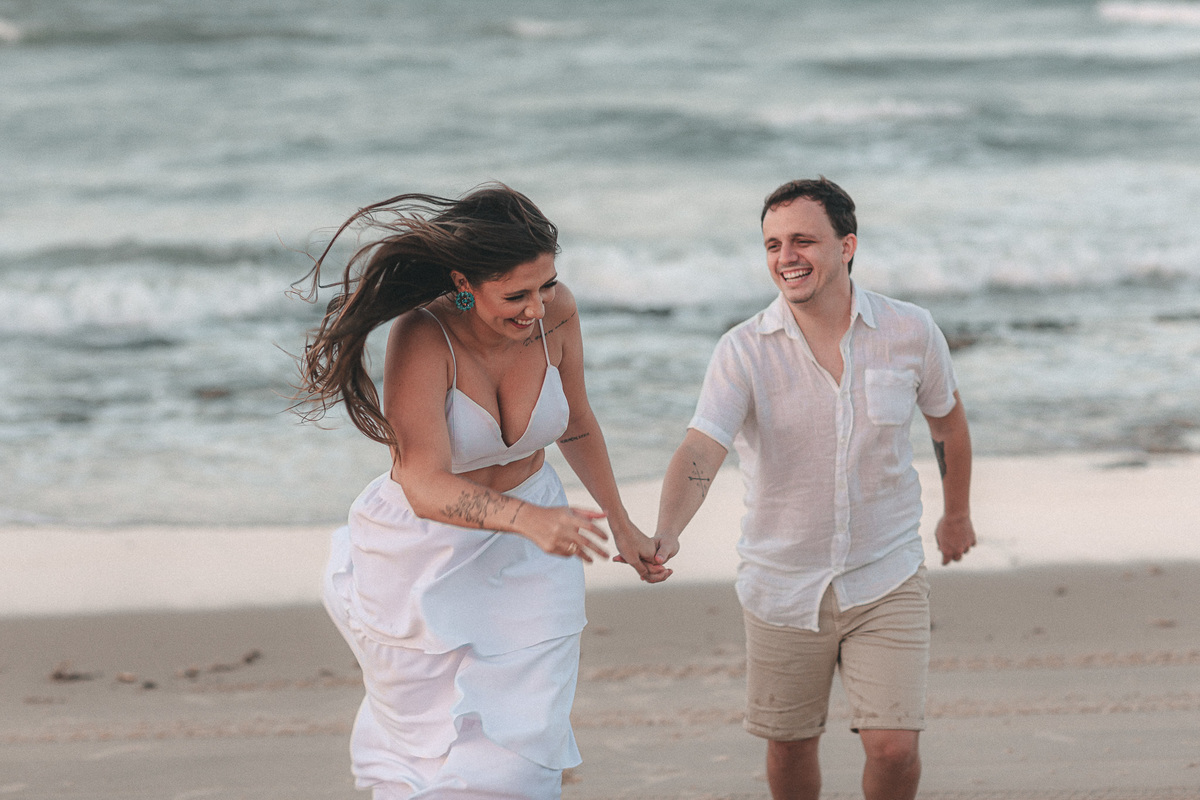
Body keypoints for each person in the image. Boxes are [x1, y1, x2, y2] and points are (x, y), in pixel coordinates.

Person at [293, 184, 668, 799]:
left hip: (532, 554)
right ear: (465, 282)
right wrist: (523, 518)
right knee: (424, 754)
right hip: (424, 559)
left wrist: (623, 523)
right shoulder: (423, 336)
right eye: (515, 295)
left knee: (521, 753)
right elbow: (420, 481)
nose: (536, 309)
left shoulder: (559, 313)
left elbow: (575, 421)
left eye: (546, 285)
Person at [649, 177, 975, 800]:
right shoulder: (742, 350)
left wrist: (955, 513)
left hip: (886, 574)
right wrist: (667, 531)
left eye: (803, 240)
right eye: (773, 244)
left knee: (895, 748)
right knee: (791, 743)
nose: (785, 257)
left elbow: (948, 422)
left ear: (846, 245)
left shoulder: (911, 330)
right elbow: (702, 448)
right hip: (782, 583)